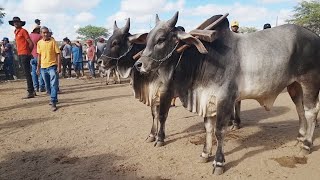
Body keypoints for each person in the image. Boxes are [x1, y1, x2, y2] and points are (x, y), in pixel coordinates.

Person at [9, 16, 35, 98]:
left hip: (24, 54)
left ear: (20, 23)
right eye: (14, 22)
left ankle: (30, 91)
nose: (15, 23)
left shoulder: (23, 31)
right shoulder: (16, 32)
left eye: (17, 21)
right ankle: (32, 91)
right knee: (26, 73)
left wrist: (28, 52)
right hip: (20, 54)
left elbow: (31, 43)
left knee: (27, 73)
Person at [36, 26, 61, 111]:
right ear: (41, 34)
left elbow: (58, 54)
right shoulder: (39, 43)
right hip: (43, 67)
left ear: (49, 33)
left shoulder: (53, 42)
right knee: (47, 85)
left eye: (47, 32)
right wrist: (38, 67)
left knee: (54, 83)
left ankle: (53, 101)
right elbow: (39, 55)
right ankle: (53, 97)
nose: (46, 34)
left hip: (52, 66)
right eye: (44, 32)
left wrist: (59, 66)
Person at [30, 25, 46, 92]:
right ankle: (41, 87)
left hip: (31, 56)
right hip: (39, 56)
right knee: (42, 71)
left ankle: (36, 87)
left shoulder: (29, 36)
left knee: (34, 72)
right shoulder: (40, 36)